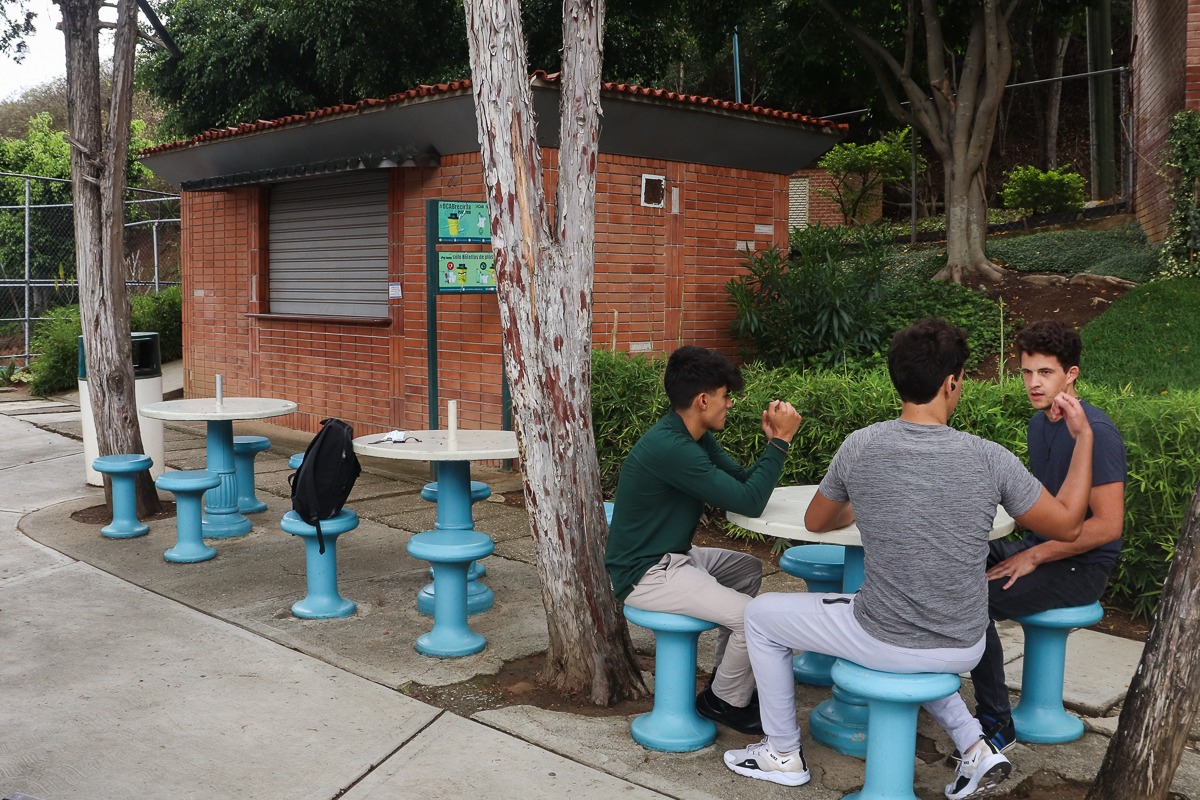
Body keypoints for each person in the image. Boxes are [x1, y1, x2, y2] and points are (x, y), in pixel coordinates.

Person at [724, 319, 1094, 800]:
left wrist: (872, 496)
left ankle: (781, 752)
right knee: (905, 627)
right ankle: (975, 747)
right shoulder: (990, 458)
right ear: (952, 382)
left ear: (897, 378)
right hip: (964, 641)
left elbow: (817, 521)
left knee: (760, 615)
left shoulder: (862, 445)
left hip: (887, 635)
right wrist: (1083, 439)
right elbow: (1068, 524)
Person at [605, 345, 802, 735]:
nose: (730, 404)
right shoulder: (672, 448)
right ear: (702, 400)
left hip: (675, 556)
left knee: (747, 569)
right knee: (753, 618)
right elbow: (750, 501)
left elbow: (742, 484)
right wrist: (781, 443)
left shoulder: (692, 436)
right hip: (646, 573)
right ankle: (722, 702)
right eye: (726, 396)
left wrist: (772, 444)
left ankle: (726, 679)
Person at [963, 320, 1127, 753]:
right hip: (1040, 546)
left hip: (1082, 567)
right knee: (952, 560)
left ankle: (996, 724)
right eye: (1026, 372)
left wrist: (1034, 556)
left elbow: (1108, 525)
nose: (1033, 383)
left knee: (973, 600)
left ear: (1071, 375)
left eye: (1045, 372)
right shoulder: (1040, 424)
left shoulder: (1096, 432)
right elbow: (1046, 506)